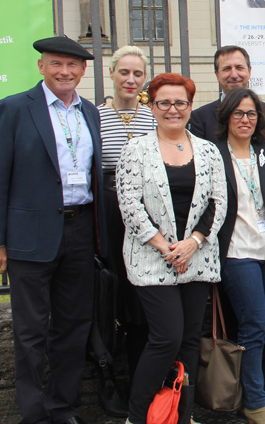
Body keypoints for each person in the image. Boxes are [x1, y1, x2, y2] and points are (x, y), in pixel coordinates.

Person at [0, 36, 106, 424]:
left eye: (72, 66)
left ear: (83, 71)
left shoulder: (90, 112)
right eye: (56, 64)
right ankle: (34, 413)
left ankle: (62, 406)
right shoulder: (14, 109)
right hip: (30, 237)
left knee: (73, 325)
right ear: (41, 67)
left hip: (80, 231)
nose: (64, 72)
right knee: (31, 330)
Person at [116, 73, 227, 424]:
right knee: (166, 337)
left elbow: (219, 202)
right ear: (152, 107)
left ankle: (181, 416)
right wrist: (167, 248)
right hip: (152, 258)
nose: (173, 109)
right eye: (164, 102)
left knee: (189, 339)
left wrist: (193, 243)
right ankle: (137, 417)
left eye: (180, 102)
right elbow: (130, 205)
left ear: (190, 106)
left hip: (197, 257)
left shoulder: (208, 150)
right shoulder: (135, 150)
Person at [214, 88, 265, 423]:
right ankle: (255, 403)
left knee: (261, 327)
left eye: (251, 114)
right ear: (227, 117)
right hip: (236, 254)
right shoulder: (213, 154)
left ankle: (249, 394)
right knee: (253, 326)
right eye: (238, 113)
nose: (245, 120)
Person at [99, 45, 156, 388]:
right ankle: (107, 377)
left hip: (149, 213)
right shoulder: (95, 117)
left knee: (141, 297)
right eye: (124, 72)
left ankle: (142, 378)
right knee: (111, 293)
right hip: (109, 214)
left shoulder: (153, 116)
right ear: (111, 74)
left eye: (137, 73)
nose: (130, 79)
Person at [189, 45, 265, 139]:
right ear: (217, 74)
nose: (234, 75)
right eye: (227, 69)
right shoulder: (200, 118)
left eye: (239, 68)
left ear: (249, 71)